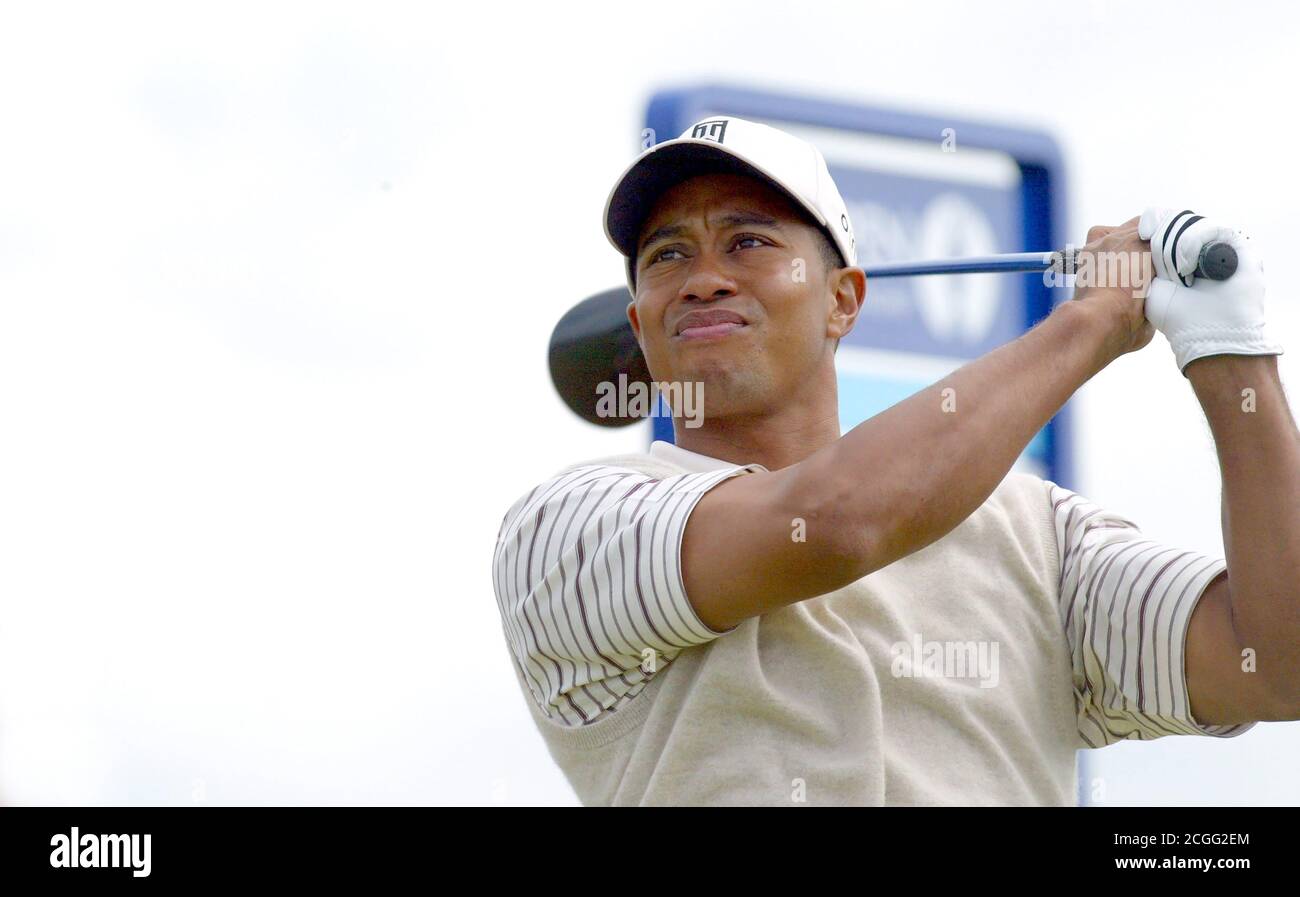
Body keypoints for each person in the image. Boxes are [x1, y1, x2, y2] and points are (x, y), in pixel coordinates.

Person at [492, 116, 1298, 806]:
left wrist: (1230, 352)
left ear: (842, 299)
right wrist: (1093, 321)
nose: (704, 279)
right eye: (668, 256)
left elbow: (1278, 664)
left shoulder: (1037, 534)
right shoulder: (568, 527)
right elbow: (834, 524)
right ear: (639, 325)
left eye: (748, 242)